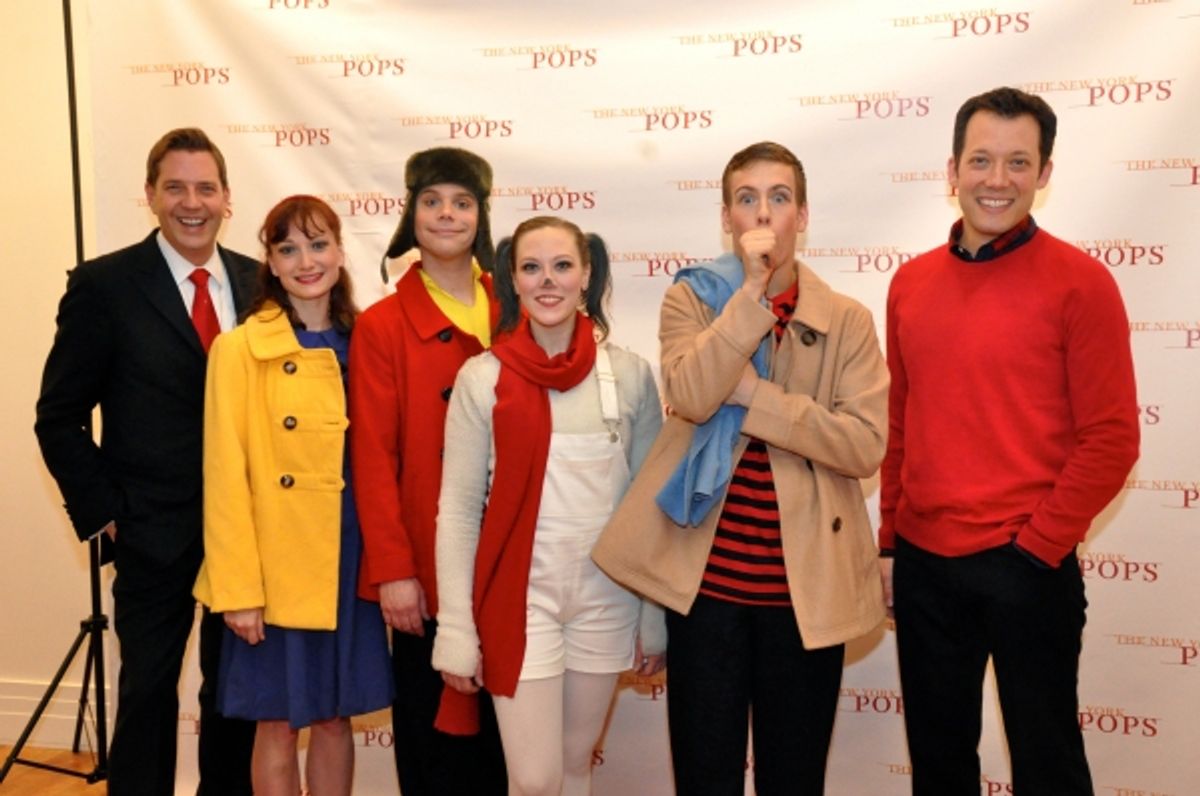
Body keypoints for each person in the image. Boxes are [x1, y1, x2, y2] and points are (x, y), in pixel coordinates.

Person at [592, 141, 889, 795]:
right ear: (726, 218)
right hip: (706, 594)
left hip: (805, 598)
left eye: (779, 198)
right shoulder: (693, 299)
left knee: (794, 779)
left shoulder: (848, 322)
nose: (763, 214)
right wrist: (750, 295)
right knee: (705, 778)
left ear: (802, 215)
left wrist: (757, 399)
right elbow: (694, 395)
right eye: (747, 199)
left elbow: (864, 445)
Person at [878, 86, 1140, 795]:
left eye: (1018, 162)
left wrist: (1035, 548)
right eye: (982, 160)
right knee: (938, 765)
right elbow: (902, 421)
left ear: (1045, 173)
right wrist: (890, 543)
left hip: (1027, 565)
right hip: (926, 564)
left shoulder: (1082, 284)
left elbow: (1112, 439)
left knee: (1048, 762)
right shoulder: (909, 284)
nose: (998, 180)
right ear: (952, 169)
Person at [34, 128, 257, 795]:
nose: (193, 203)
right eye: (176, 187)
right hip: (149, 531)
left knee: (235, 698)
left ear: (226, 198)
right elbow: (58, 416)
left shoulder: (258, 281)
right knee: (148, 697)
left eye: (206, 188)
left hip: (244, 534)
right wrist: (105, 513)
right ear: (151, 196)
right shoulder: (104, 285)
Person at [432, 216, 667, 796]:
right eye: (531, 267)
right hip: (520, 601)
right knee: (534, 781)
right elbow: (460, 511)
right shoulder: (481, 379)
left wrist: (653, 614)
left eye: (562, 265)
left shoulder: (630, 377)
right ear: (511, 280)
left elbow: (650, 508)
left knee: (575, 764)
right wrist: (457, 629)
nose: (548, 281)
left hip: (606, 600)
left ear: (587, 274)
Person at [192, 195, 392, 795]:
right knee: (276, 724)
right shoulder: (240, 349)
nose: (306, 260)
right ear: (271, 265)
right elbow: (225, 477)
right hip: (275, 571)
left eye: (318, 243)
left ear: (339, 251)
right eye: (288, 249)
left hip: (349, 559)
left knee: (334, 719)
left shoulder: (370, 343)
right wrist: (238, 590)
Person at [349, 146, 507, 795]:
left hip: (512, 561)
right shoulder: (381, 326)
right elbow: (372, 457)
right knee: (434, 746)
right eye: (433, 200)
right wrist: (393, 571)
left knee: (511, 747)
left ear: (482, 215)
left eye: (462, 202)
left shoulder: (520, 304)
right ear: (410, 213)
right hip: (426, 570)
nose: (447, 214)